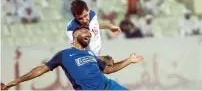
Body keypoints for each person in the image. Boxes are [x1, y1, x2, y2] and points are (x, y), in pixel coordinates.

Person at [3, 26, 144, 90]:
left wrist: (128, 60)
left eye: (90, 34)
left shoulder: (90, 54)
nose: (88, 34)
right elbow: (40, 69)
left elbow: (108, 70)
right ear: (75, 35)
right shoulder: (64, 55)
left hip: (111, 87)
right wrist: (17, 80)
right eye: (85, 32)